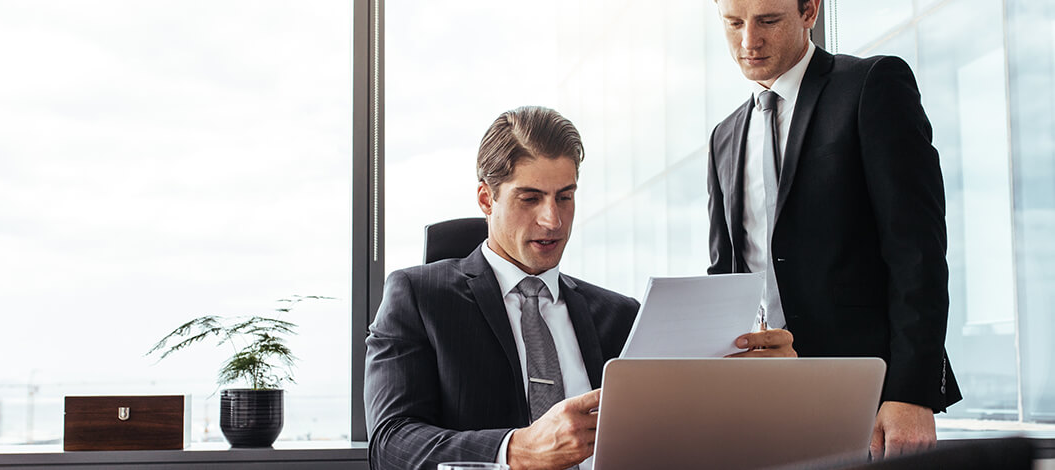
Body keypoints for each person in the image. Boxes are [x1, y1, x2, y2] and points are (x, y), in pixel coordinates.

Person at [365, 106, 796, 470]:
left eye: (565, 197)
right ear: (485, 199)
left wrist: (757, 384)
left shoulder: (622, 315)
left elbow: (682, 431)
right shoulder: (419, 297)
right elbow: (389, 442)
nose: (553, 221)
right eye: (530, 198)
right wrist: (517, 450)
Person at [706, 0, 962, 460]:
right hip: (762, 403)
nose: (749, 41)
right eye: (734, 23)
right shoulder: (724, 137)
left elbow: (917, 251)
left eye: (767, 20)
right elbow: (725, 275)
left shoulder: (872, 86)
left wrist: (911, 393)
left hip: (867, 401)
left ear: (809, 12)